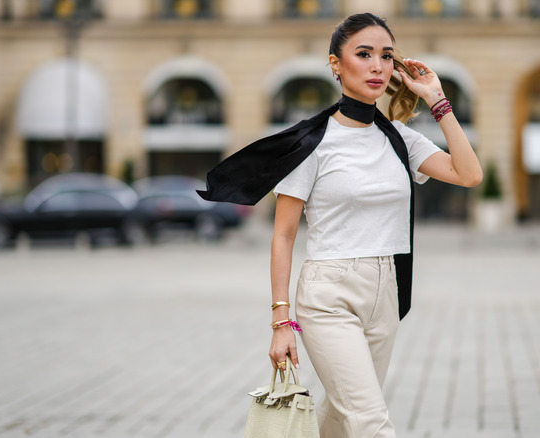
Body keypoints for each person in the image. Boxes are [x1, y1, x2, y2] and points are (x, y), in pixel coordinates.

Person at [198, 12, 482, 438]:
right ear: (336, 64)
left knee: (341, 419)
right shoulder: (312, 143)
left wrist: (437, 100)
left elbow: (469, 174)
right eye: (363, 54)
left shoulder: (399, 139)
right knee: (371, 421)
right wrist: (281, 322)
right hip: (328, 295)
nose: (376, 66)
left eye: (386, 56)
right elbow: (283, 236)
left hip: (386, 294)